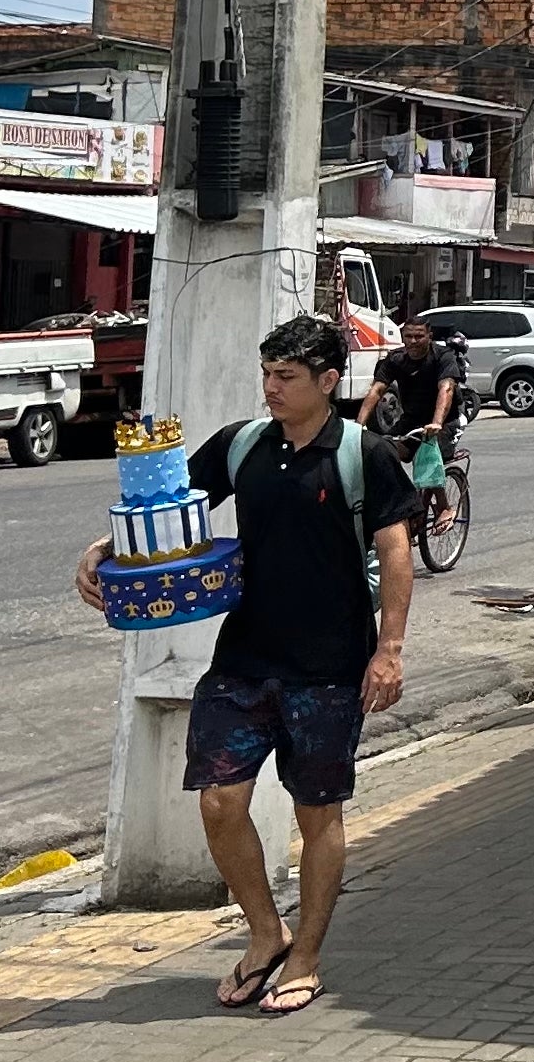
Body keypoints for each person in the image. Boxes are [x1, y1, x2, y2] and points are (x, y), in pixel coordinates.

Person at [74, 315, 418, 1018]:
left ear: (328, 381)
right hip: (242, 660)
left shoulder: (364, 455)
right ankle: (267, 934)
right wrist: (107, 546)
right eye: (267, 374)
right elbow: (169, 507)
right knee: (219, 801)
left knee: (317, 814)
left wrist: (389, 651)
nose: (271, 388)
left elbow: (395, 554)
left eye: (286, 377)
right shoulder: (242, 445)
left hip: (328, 668)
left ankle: (308, 957)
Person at [365, 316, 462, 521]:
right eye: (408, 336)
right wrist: (359, 424)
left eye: (419, 336)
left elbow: (446, 388)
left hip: (445, 421)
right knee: (381, 449)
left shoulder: (443, 356)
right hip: (411, 420)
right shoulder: (396, 359)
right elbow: (377, 390)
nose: (413, 341)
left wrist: (437, 422)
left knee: (427, 451)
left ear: (429, 336)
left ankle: (444, 507)